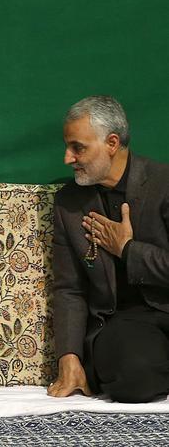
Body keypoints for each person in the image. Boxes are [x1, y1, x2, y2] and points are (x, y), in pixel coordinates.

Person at [48, 95, 169, 403]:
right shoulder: (69, 204)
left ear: (112, 143)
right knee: (134, 379)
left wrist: (128, 249)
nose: (68, 158)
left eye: (78, 147)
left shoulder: (163, 184)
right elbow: (69, 289)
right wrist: (69, 356)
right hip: (126, 324)